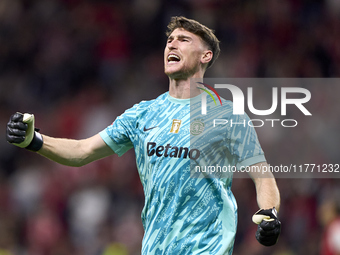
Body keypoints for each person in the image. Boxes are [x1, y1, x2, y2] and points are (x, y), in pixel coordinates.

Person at [6, 16, 281, 254]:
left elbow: (263, 176)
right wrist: (35, 141)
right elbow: (82, 152)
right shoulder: (142, 115)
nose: (171, 44)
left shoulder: (227, 115)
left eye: (183, 40)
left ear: (205, 56)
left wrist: (269, 213)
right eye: (169, 40)